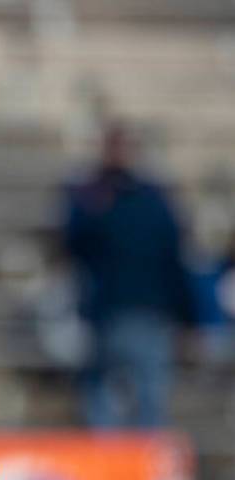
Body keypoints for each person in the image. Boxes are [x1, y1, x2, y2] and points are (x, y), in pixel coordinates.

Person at [62, 122, 194, 428]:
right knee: (111, 402)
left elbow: (173, 259)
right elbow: (74, 247)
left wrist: (188, 317)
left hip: (144, 315)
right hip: (110, 316)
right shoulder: (94, 197)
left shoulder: (149, 200)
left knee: (145, 401)